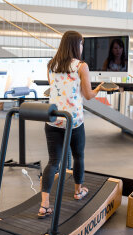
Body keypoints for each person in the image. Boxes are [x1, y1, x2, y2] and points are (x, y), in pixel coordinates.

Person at [38, 30, 105, 218]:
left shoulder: (51, 64)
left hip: (53, 120)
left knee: (53, 161)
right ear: (77, 45)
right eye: (82, 44)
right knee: (78, 156)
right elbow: (89, 96)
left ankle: (44, 205)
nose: (82, 47)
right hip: (73, 121)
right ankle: (78, 191)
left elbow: (55, 86)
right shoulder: (81, 66)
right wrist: (100, 87)